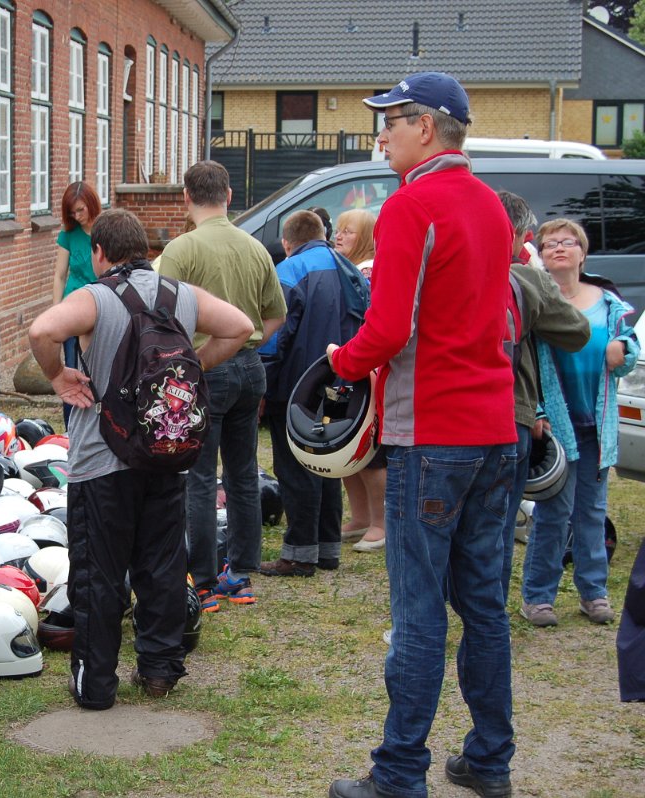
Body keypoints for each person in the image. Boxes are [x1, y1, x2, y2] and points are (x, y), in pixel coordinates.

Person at [325, 72, 518, 798]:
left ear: (428, 127)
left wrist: (338, 364)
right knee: (483, 608)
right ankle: (489, 761)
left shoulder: (411, 206)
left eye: (394, 118)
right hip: (495, 429)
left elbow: (387, 329)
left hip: (432, 432)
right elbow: (503, 319)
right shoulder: (494, 208)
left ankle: (400, 773)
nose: (382, 132)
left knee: (417, 614)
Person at [28, 208, 253, 710]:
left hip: (100, 462)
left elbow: (43, 330)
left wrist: (58, 377)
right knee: (162, 567)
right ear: (148, 250)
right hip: (165, 455)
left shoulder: (95, 298)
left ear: (99, 254)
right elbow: (240, 326)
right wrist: (196, 363)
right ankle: (158, 671)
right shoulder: (180, 296)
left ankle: (97, 685)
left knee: (98, 575)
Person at [155, 160, 286, 613]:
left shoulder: (180, 250)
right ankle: (243, 566)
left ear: (186, 198)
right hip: (251, 365)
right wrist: (248, 343)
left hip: (204, 366)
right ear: (229, 196)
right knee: (243, 470)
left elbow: (158, 313)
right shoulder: (255, 247)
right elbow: (276, 313)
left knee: (198, 477)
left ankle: (205, 577)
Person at [520, 218, 638, 627]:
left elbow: (632, 348)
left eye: (568, 242)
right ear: (542, 255)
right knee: (553, 511)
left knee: (592, 511)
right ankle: (537, 597)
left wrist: (623, 346)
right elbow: (525, 364)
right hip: (556, 426)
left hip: (597, 425)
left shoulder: (609, 303)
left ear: (582, 254)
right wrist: (535, 412)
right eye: (550, 243)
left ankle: (594, 594)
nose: (559, 248)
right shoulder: (537, 303)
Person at [258, 210, 366, 576]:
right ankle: (327, 549)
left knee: (296, 467)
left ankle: (299, 554)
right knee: (328, 463)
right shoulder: (347, 268)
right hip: (343, 380)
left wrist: (264, 382)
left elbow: (275, 335)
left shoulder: (290, 270)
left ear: (287, 242)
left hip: (296, 387)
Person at [495, 193, 589, 607]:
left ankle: (426, 620)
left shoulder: (442, 262)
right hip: (507, 414)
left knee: (435, 529)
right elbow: (575, 330)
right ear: (526, 236)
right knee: (495, 529)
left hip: (441, 413)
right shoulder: (525, 276)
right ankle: (486, 622)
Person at [333, 209, 385, 552]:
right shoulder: (347, 269)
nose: (339, 236)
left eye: (348, 232)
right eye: (337, 230)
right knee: (347, 449)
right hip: (346, 365)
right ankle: (361, 515)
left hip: (367, 370)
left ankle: (381, 522)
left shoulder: (365, 272)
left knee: (369, 452)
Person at [52, 181, 102, 428]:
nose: (77, 216)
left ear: (92, 205)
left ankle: (98, 423)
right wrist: (56, 311)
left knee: (99, 369)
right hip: (73, 307)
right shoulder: (69, 234)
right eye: (72, 212)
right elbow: (60, 275)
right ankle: (71, 426)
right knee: (70, 369)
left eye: (81, 210)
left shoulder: (106, 229)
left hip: (100, 308)